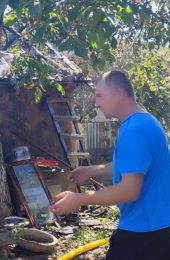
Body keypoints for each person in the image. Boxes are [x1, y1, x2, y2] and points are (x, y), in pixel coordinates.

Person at [50, 71, 170, 259]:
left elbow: (129, 190)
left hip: (144, 234)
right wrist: (91, 170)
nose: (97, 103)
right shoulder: (143, 121)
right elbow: (129, 166)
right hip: (156, 226)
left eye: (100, 95)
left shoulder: (135, 131)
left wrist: (79, 199)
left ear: (120, 93)